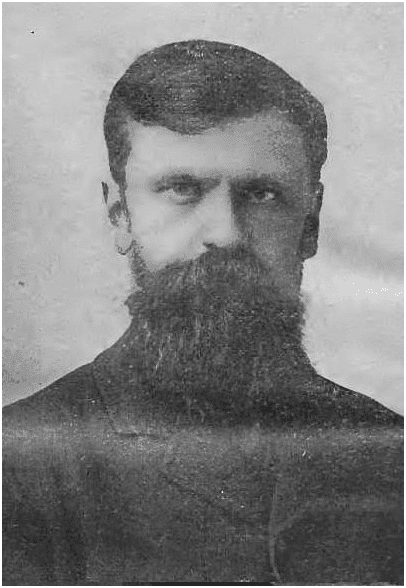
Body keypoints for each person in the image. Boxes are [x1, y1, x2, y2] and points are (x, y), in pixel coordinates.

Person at [3, 40, 403, 585]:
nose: (226, 233)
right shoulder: (21, 463)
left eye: (262, 195)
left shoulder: (389, 450)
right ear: (120, 215)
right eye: (182, 190)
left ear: (310, 225)